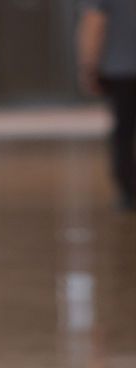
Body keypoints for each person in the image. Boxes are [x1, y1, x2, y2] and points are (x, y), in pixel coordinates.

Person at [77, 0, 136, 210]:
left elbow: (93, 23)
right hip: (122, 69)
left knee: (123, 134)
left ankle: (129, 192)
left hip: (121, 71)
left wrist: (88, 67)